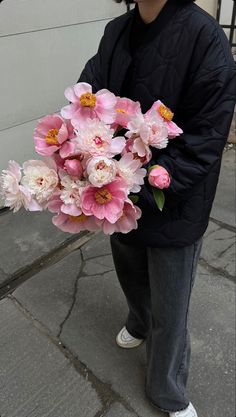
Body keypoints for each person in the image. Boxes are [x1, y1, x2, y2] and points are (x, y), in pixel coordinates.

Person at [77, 0, 236, 416]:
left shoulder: (205, 38)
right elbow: (91, 91)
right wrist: (81, 151)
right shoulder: (117, 31)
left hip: (173, 198)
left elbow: (205, 136)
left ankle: (168, 391)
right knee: (129, 269)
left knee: (171, 301)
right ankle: (138, 321)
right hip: (116, 191)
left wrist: (139, 183)